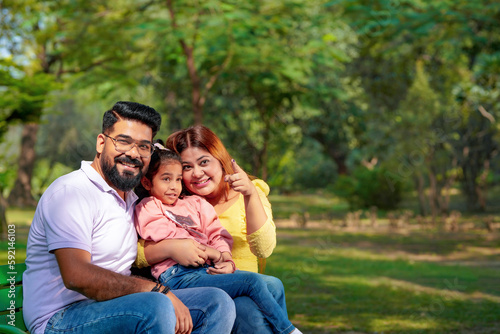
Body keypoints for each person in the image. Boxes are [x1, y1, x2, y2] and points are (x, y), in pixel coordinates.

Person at [22, 102, 235, 334]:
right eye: (123, 141)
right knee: (156, 305)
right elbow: (77, 276)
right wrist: (156, 290)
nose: (133, 153)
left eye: (144, 146)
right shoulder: (71, 193)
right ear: (101, 143)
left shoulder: (130, 199)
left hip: (116, 306)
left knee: (217, 302)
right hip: (61, 318)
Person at [134, 143, 302, 334]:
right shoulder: (149, 206)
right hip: (177, 275)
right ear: (148, 183)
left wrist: (224, 256)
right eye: (166, 179)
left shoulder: (194, 204)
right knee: (252, 287)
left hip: (207, 270)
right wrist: (207, 251)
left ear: (221, 162)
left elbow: (217, 233)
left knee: (275, 284)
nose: (174, 187)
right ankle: (288, 330)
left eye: (178, 179)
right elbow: (167, 237)